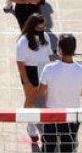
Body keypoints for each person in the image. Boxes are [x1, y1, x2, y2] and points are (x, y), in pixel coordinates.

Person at [38, 34, 82, 153]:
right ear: (74, 50)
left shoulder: (49, 68)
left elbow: (41, 90)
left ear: (60, 51)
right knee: (67, 149)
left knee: (47, 148)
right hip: (71, 117)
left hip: (51, 115)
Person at [16, 13, 55, 144]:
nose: (42, 30)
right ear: (32, 27)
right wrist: (26, 81)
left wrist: (54, 70)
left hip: (44, 69)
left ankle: (47, 126)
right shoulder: (23, 42)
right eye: (39, 28)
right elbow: (20, 64)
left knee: (48, 99)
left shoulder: (45, 36)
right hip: (30, 71)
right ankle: (30, 125)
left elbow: (50, 55)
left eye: (44, 27)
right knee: (30, 99)